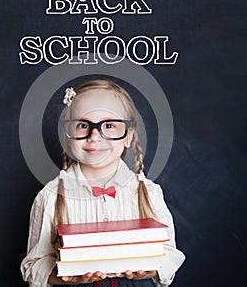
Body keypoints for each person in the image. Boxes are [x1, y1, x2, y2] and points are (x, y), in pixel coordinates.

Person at [21, 79, 185, 287]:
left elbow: (170, 254)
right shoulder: (51, 196)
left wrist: (153, 267)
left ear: (128, 136)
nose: (95, 136)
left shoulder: (149, 192)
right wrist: (65, 276)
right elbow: (33, 265)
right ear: (67, 136)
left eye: (109, 125)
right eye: (83, 125)